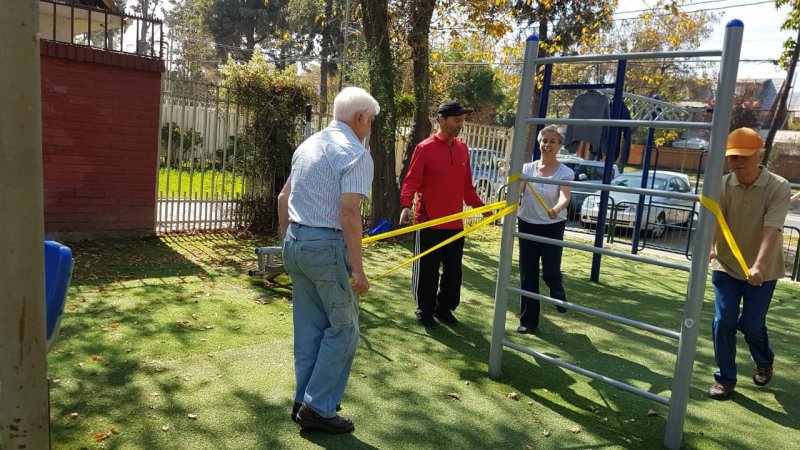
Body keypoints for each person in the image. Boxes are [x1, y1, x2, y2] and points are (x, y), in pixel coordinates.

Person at [278, 87, 379, 432]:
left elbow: (283, 197)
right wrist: (360, 270)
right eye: (371, 122)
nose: (370, 128)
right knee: (345, 329)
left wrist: (288, 244)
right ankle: (317, 407)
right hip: (326, 247)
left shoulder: (308, 145)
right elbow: (349, 214)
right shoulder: (355, 153)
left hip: (295, 242)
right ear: (361, 117)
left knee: (309, 329)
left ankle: (303, 399)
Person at [707, 127, 791, 400]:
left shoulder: (778, 186)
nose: (738, 162)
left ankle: (764, 360)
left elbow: (772, 229)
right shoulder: (722, 184)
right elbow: (716, 221)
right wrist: (710, 247)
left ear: (760, 155)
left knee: (752, 325)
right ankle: (725, 379)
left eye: (744, 156)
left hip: (763, 271)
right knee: (724, 321)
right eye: (733, 156)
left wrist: (758, 266)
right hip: (727, 267)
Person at [399, 100, 486, 329]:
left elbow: (467, 187)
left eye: (462, 120)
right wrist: (405, 205)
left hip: (455, 223)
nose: (461, 124)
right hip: (429, 222)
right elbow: (411, 181)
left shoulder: (462, 149)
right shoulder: (424, 148)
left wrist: (482, 207)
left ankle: (444, 308)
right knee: (427, 270)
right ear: (441, 120)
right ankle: (424, 310)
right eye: (456, 120)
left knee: (453, 272)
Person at [515, 125, 574, 334]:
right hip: (527, 224)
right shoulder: (527, 168)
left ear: (560, 146)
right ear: (539, 143)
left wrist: (557, 208)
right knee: (527, 274)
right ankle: (528, 322)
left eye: (552, 141)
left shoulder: (565, 172)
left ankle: (557, 292)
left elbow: (565, 196)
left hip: (552, 226)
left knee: (550, 270)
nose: (547, 145)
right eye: (544, 140)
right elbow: (517, 191)